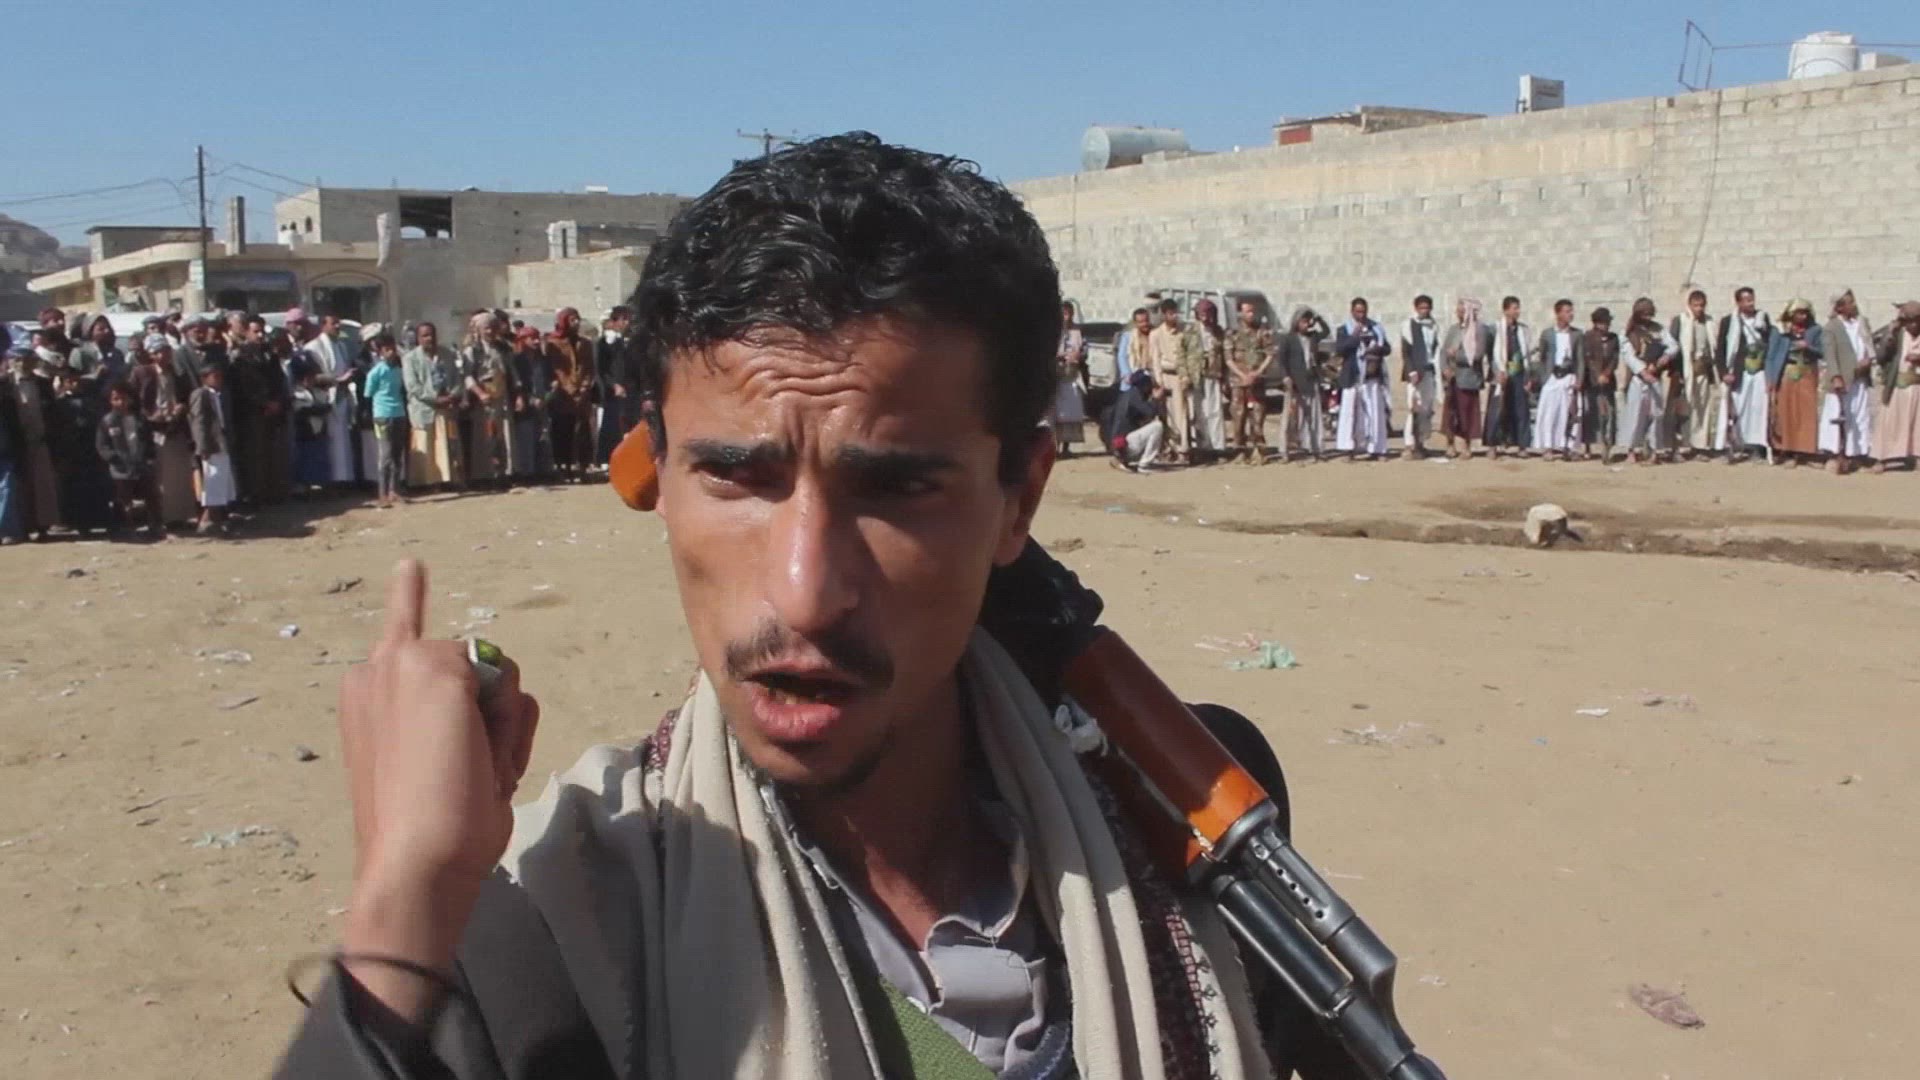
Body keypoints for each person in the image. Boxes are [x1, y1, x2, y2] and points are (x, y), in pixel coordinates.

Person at [274, 132, 1358, 1080]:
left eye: (896, 489)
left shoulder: (1186, 803)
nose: (804, 591)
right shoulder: (547, 936)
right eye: (736, 478)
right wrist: (405, 898)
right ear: (664, 477)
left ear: (1019, 499)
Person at [129, 335, 198, 527]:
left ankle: (179, 516)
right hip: (154, 431)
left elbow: (185, 397)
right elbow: (133, 401)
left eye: (166, 351)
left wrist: (181, 407)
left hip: (175, 428)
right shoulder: (141, 373)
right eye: (159, 352)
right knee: (159, 477)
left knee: (178, 475)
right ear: (151, 354)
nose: (164, 355)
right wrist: (150, 416)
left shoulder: (177, 373)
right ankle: (160, 518)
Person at [3, 345, 60, 540]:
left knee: (42, 486)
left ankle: (42, 526)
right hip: (14, 444)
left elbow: (52, 413)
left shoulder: (43, 384)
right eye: (18, 360)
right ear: (10, 362)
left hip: (40, 441)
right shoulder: (4, 385)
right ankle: (19, 528)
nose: (22, 364)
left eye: (27, 360)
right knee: (17, 487)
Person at [49, 368, 116, 535]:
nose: (74, 384)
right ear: (64, 383)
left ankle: (100, 519)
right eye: (70, 381)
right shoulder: (59, 403)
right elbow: (56, 428)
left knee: (96, 486)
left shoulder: (91, 400)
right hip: (71, 451)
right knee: (75, 489)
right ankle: (79, 523)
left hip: (91, 449)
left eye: (76, 380)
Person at [1615, 298, 1679, 465]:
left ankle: (1655, 452)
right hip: (1638, 379)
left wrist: (1665, 358)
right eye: (1644, 314)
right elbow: (1628, 355)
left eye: (1650, 314)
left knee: (1656, 415)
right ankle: (1632, 451)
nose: (1648, 318)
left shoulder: (1659, 329)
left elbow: (1673, 346)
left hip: (1656, 374)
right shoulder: (1628, 332)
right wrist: (1643, 371)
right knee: (1635, 415)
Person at [96, 381, 163, 538]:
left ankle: (155, 526)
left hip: (142, 465)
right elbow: (102, 446)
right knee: (123, 500)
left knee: (151, 496)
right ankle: (126, 528)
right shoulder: (107, 421)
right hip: (120, 468)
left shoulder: (140, 419)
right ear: (110, 401)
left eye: (123, 398)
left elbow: (148, 440)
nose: (120, 402)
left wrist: (150, 458)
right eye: (116, 399)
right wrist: (114, 458)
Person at [402, 322, 464, 490]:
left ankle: (447, 480)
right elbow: (413, 387)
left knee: (446, 444)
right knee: (426, 445)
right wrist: (435, 399)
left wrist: (452, 396)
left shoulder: (447, 354)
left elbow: (458, 379)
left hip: (446, 407)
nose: (429, 338)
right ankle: (425, 483)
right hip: (424, 408)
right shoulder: (410, 358)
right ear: (418, 338)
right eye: (425, 336)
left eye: (432, 335)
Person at [1821, 289, 1877, 474]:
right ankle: (1834, 453)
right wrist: (1836, 377)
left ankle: (1858, 452)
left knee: (1860, 415)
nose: (1853, 305)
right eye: (1849, 302)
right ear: (1839, 307)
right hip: (1842, 380)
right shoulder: (1831, 327)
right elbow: (1830, 355)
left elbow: (1868, 345)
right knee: (1837, 416)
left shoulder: (1861, 323)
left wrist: (1868, 360)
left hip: (1860, 378)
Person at [1717, 287, 1773, 463]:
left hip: (1758, 370)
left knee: (1757, 409)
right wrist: (1723, 373)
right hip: (1738, 372)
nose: (1750, 303)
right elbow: (1720, 350)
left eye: (1752, 299)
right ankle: (1735, 445)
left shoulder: (1762, 318)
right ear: (1738, 302)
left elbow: (1769, 342)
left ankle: (1756, 447)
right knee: (1736, 410)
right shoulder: (1728, 322)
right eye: (1746, 300)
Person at [1766, 299, 1824, 468]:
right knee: (1786, 412)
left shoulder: (1815, 330)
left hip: (1807, 373)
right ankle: (1787, 450)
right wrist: (1771, 378)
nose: (1802, 316)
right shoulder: (1780, 329)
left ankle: (1805, 451)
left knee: (1806, 412)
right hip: (1787, 373)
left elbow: (1822, 351)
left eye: (1805, 313)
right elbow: (1771, 356)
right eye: (1799, 313)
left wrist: (1808, 347)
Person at [305, 313, 360, 487]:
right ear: (323, 325)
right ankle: (330, 482)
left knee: (342, 442)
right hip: (325, 399)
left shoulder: (341, 345)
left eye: (338, 323)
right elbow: (312, 377)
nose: (337, 326)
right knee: (330, 442)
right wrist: (337, 380)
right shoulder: (313, 347)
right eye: (333, 323)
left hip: (342, 397)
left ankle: (343, 480)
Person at [1668, 290, 1725, 458]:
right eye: (1695, 305)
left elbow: (1712, 348)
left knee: (1702, 410)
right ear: (1689, 305)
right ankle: (1678, 446)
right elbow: (1673, 347)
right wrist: (1677, 373)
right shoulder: (1680, 321)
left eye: (1701, 305)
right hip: (1684, 372)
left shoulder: (1709, 323)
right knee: (1682, 410)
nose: (1699, 309)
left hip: (1702, 372)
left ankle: (1699, 446)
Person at [1333, 297, 1391, 459]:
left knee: (1375, 414)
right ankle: (1348, 449)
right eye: (1358, 311)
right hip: (1353, 377)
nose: (1361, 315)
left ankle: (1376, 449)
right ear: (1352, 311)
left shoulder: (1376, 328)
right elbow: (1341, 349)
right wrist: (1354, 336)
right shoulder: (1344, 329)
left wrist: (1377, 348)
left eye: (1364, 311)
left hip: (1372, 377)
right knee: (1350, 414)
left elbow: (1387, 349)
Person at [461, 314, 514, 486]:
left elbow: (511, 372)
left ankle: (503, 473)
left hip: (501, 397)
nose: (490, 331)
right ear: (479, 330)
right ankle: (484, 476)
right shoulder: (472, 351)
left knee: (503, 437)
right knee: (484, 438)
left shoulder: (503, 348)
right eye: (486, 328)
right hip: (483, 400)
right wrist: (480, 394)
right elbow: (468, 377)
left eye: (493, 327)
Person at [544, 308, 595, 482]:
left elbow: (589, 367)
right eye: (572, 320)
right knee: (563, 430)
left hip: (582, 395)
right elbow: (555, 369)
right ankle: (563, 466)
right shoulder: (553, 344)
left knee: (583, 431)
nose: (576, 323)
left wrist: (584, 386)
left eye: (577, 319)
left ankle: (583, 466)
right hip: (562, 395)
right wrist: (569, 388)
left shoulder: (585, 343)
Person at [1531, 299, 1585, 460]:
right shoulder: (1547, 334)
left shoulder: (1577, 334)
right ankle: (1547, 446)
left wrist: (1579, 378)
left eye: (1571, 311)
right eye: (1567, 311)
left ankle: (1568, 446)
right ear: (1558, 313)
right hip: (1552, 377)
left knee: (1570, 412)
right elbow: (1542, 357)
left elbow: (1580, 359)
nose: (1570, 314)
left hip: (1569, 376)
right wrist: (1543, 377)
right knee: (1549, 412)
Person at [1439, 298, 1490, 459]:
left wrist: (1456, 354)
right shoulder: (1454, 329)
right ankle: (1450, 444)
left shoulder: (1480, 330)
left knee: (1467, 413)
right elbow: (1443, 351)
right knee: (1450, 413)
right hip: (1452, 378)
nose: (1459, 314)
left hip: (1469, 377)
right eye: (1458, 311)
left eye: (1462, 311)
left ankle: (1466, 446)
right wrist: (1444, 368)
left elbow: (1477, 355)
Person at [1277, 305, 1329, 462]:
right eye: (1303, 321)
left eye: (1308, 321)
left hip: (1311, 380)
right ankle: (1284, 450)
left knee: (1314, 416)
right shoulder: (1288, 339)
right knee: (1290, 417)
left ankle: (1315, 448)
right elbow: (1281, 360)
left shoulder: (1313, 337)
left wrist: (1318, 318)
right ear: (1297, 322)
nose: (1306, 325)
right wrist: (1286, 377)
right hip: (1294, 383)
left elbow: (1326, 331)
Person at [1226, 299, 1274, 463]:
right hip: (1238, 382)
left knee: (1258, 416)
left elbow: (1270, 354)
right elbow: (1228, 359)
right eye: (1247, 311)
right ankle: (1239, 450)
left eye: (1253, 311)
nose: (1251, 314)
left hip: (1257, 381)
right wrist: (1242, 375)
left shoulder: (1262, 331)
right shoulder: (1232, 333)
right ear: (1240, 313)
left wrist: (1257, 373)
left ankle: (1258, 450)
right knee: (1238, 417)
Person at [188, 363, 235, 535]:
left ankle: (217, 518)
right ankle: (208, 520)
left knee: (222, 482)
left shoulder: (220, 395)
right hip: (211, 445)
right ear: (204, 378)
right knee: (212, 482)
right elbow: (198, 421)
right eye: (215, 376)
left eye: (220, 376)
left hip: (221, 442)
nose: (219, 380)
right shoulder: (201, 394)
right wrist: (202, 446)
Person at [592, 306, 641, 467]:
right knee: (612, 426)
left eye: (628, 319)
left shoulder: (631, 342)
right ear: (614, 321)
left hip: (632, 390)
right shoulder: (605, 343)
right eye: (623, 319)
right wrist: (613, 385)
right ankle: (607, 459)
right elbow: (602, 369)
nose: (627, 322)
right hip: (613, 392)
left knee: (631, 426)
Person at [1484, 295, 1533, 456]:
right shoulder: (1495, 329)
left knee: (1521, 409)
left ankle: (1522, 445)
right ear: (1505, 310)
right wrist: (1497, 372)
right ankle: (1492, 445)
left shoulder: (1523, 330)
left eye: (1518, 308)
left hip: (1518, 373)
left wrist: (1527, 376)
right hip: (1500, 373)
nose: (1517, 311)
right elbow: (1490, 353)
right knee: (1496, 410)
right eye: (1514, 308)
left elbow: (1526, 354)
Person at [1874, 301, 1920, 469]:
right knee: (1890, 423)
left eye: (1917, 321)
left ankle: (1915, 457)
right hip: (1897, 386)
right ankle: (1882, 459)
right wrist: (1891, 334)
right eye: (1910, 321)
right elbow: (1881, 357)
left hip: (1917, 386)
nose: (1913, 325)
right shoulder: (1897, 334)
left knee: (1917, 426)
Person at [365, 334, 409, 508]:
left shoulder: (399, 370)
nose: (391, 352)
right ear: (380, 352)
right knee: (385, 455)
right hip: (382, 416)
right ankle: (382, 494)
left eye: (393, 349)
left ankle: (394, 490)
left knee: (397, 454)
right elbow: (368, 394)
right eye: (387, 350)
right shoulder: (376, 372)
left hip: (399, 414)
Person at [1147, 299, 1193, 464]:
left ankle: (1183, 450)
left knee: (1182, 414)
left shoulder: (1184, 331)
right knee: (1166, 415)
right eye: (1170, 313)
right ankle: (1168, 449)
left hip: (1181, 377)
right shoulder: (1156, 334)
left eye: (1175, 313)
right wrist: (1159, 382)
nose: (1174, 317)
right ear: (1164, 314)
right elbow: (1155, 359)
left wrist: (1187, 376)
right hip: (1165, 378)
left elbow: (1190, 355)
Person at [507, 325, 553, 480]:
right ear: (522, 340)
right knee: (526, 439)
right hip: (525, 405)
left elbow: (551, 380)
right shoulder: (517, 360)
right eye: (531, 338)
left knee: (544, 437)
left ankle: (544, 471)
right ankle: (527, 473)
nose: (536, 341)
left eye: (537, 338)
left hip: (543, 404)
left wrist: (548, 394)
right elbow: (516, 384)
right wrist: (530, 399)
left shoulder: (543, 360)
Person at [1398, 295, 1440, 459]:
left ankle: (1421, 443)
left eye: (1427, 308)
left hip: (1429, 372)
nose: (1424, 310)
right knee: (1413, 408)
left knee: (1426, 410)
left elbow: (1435, 348)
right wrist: (1412, 371)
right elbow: (1406, 352)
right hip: (1415, 373)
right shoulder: (1408, 325)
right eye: (1421, 307)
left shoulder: (1433, 326)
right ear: (1416, 308)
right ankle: (1409, 444)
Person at [1188, 298, 1228, 459]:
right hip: (1197, 374)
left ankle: (1217, 447)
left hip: (1214, 373)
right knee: (1199, 411)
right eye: (1202, 313)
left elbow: (1224, 354)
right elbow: (1183, 353)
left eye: (1208, 313)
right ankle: (1202, 446)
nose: (1205, 317)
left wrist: (1225, 376)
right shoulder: (1191, 331)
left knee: (1215, 410)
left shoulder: (1218, 332)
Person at [1106, 369, 1168, 471]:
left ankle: (1121, 458)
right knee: (1157, 426)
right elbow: (1151, 413)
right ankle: (1144, 464)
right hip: (1125, 446)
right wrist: (1156, 399)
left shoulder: (1128, 394)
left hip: (1120, 445)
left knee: (1149, 425)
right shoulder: (1135, 396)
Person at [1582, 309, 1622, 462]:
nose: (1606, 325)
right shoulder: (1588, 337)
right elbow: (1588, 359)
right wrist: (1597, 375)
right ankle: (1588, 446)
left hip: (1608, 382)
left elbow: (1615, 358)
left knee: (1609, 414)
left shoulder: (1613, 338)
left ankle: (1608, 445)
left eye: (1607, 322)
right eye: (1603, 322)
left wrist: (1606, 374)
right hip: (1592, 382)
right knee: (1592, 414)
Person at [1050, 302, 1089, 458]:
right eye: (1064, 313)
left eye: (1069, 313)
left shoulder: (1078, 331)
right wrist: (1059, 356)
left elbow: (1085, 350)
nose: (1066, 317)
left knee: (1072, 412)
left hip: (1073, 375)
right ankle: (1055, 447)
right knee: (1056, 412)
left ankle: (1067, 447)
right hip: (1057, 375)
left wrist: (1079, 355)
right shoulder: (1052, 331)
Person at [68, 314, 127, 400]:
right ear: (90, 332)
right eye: (101, 329)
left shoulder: (116, 353)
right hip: (87, 401)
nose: (107, 331)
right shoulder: (80, 353)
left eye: (108, 328)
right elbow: (71, 381)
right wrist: (95, 375)